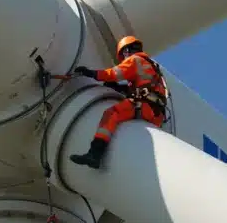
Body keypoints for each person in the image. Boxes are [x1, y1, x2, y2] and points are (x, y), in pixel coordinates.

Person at [69, 35, 168, 169]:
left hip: (145, 107)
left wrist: (91, 73)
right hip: (156, 113)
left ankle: (95, 154)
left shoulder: (134, 60)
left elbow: (114, 74)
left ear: (126, 51)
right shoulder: (151, 66)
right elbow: (144, 88)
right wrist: (120, 88)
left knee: (111, 114)